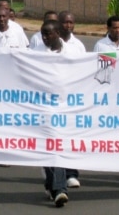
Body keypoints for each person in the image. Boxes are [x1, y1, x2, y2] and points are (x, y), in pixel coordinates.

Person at [29, 20, 74, 207]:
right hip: (43, 108)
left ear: (58, 33)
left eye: (48, 34)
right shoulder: (36, 53)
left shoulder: (74, 51)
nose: (45, 37)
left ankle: (56, 187)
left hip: (68, 108)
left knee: (58, 148)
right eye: (42, 34)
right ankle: (56, 187)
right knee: (50, 148)